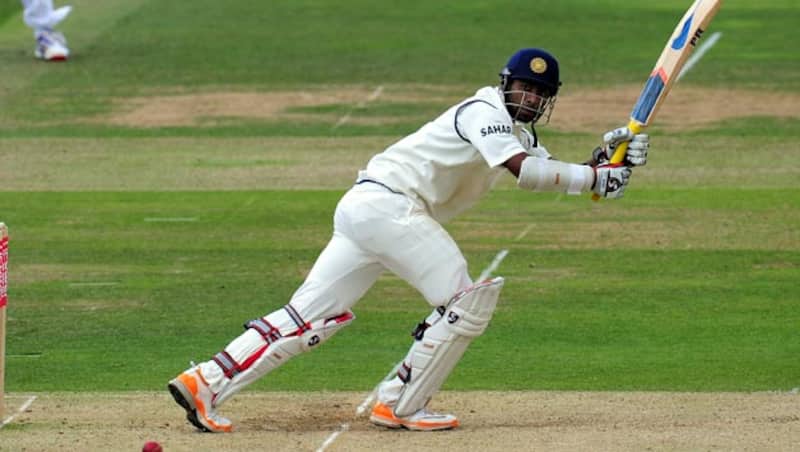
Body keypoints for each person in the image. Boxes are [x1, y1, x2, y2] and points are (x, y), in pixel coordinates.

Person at [168, 48, 649, 433]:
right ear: (505, 84)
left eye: (539, 92)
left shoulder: (515, 131)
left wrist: (608, 162)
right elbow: (527, 175)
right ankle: (400, 404)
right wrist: (593, 177)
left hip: (367, 210)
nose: (529, 96)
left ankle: (205, 382)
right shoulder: (484, 111)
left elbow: (556, 173)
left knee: (306, 315)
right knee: (466, 301)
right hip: (391, 208)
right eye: (524, 86)